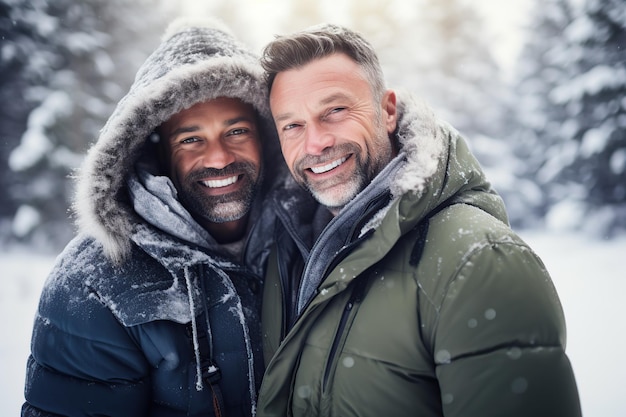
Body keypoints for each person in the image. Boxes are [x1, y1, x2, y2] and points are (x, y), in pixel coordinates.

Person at [256, 23, 582, 417]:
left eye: (336, 110)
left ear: (388, 110)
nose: (316, 142)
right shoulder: (287, 252)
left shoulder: (479, 261)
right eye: (293, 125)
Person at [22, 18, 284, 417]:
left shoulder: (309, 243)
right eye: (191, 139)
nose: (218, 157)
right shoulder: (94, 282)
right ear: (157, 152)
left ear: (266, 137)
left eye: (236, 131)